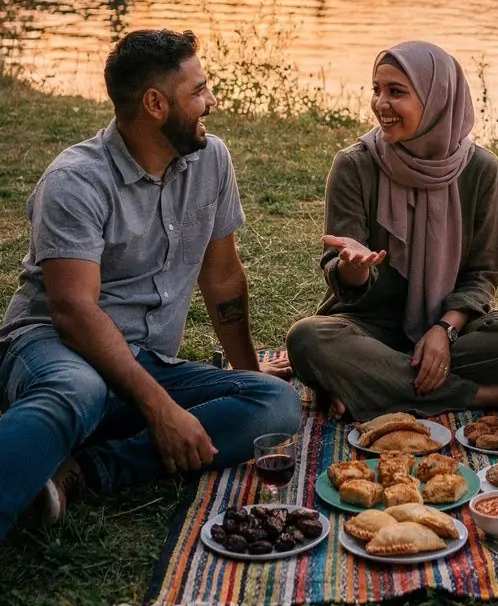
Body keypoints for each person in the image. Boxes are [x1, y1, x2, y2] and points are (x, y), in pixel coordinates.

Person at [0, 29, 300, 543]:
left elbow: (222, 276)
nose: (211, 101)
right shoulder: (75, 181)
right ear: (156, 104)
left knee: (276, 404)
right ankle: (45, 430)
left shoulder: (212, 160)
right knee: (80, 388)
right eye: (198, 91)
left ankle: (79, 471)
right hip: (56, 347)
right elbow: (73, 312)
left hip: (145, 361)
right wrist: (161, 410)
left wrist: (248, 374)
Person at [286, 41, 498, 420]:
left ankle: (371, 384)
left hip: (454, 329)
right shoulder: (354, 166)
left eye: (396, 92)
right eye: (376, 89)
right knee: (308, 340)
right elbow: (341, 277)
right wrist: (355, 267)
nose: (381, 103)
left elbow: (484, 272)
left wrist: (444, 330)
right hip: (367, 329)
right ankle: (479, 395)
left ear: (437, 98)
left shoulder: (481, 169)